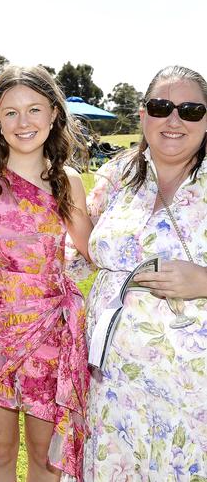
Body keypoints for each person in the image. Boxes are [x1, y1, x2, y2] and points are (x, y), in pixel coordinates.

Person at [0, 65, 93, 481]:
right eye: (10, 112)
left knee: (43, 455)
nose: (23, 122)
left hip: (49, 333)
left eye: (34, 109)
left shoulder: (67, 181)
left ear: (54, 114)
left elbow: (95, 249)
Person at [83, 66, 207, 480]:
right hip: (114, 388)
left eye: (191, 110)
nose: (174, 120)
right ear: (142, 115)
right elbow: (75, 251)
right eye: (161, 107)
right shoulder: (118, 175)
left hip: (193, 394)